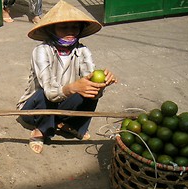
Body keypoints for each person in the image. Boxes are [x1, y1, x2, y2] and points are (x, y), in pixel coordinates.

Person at [16, 0, 117, 154]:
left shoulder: (83, 51)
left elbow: (90, 81)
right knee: (44, 95)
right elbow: (50, 91)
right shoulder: (41, 51)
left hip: (62, 102)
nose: (70, 32)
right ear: (52, 29)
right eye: (63, 27)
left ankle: (68, 124)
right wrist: (73, 87)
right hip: (35, 108)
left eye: (74, 27)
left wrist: (101, 84)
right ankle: (40, 130)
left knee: (89, 93)